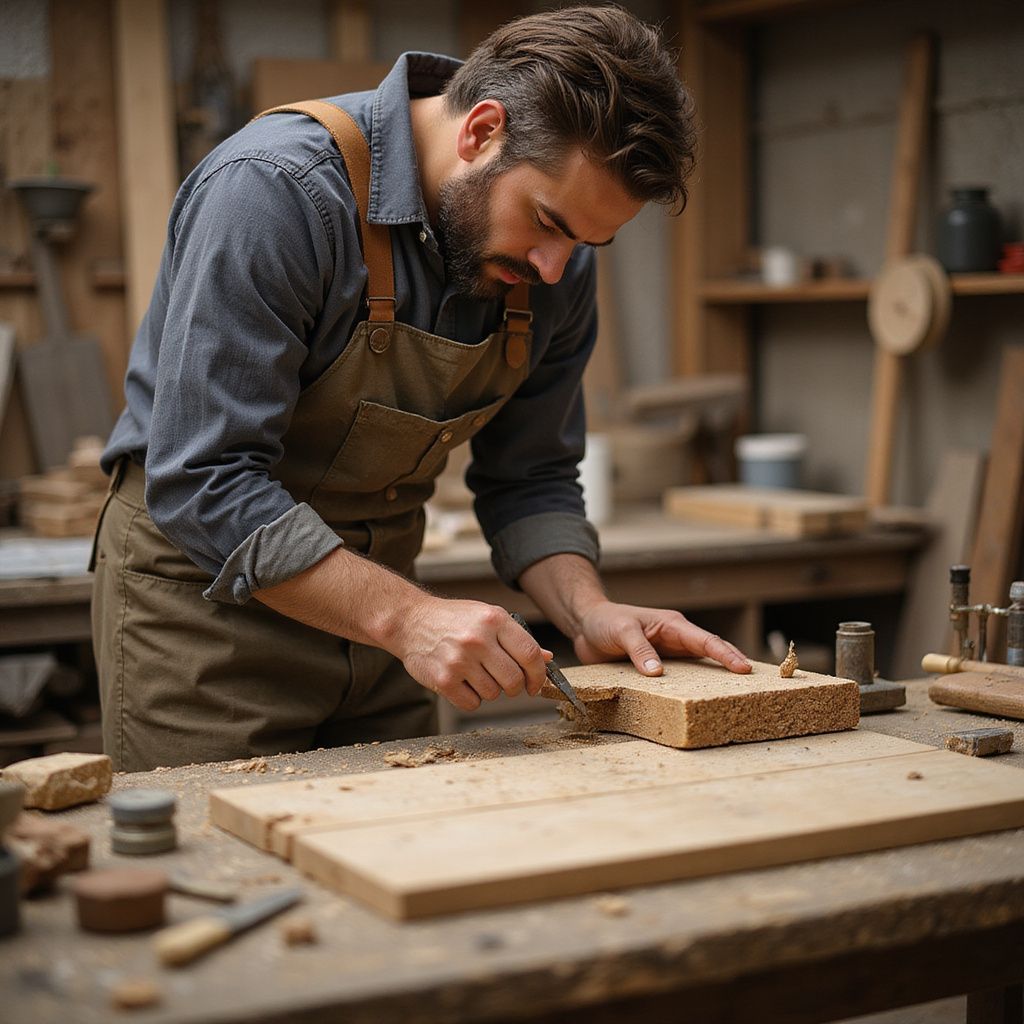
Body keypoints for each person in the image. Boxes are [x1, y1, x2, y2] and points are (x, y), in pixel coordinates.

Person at [91, 4, 752, 773]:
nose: (553, 268)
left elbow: (531, 477)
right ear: (481, 131)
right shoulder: (274, 193)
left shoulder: (556, 262)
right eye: (546, 222)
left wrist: (587, 610)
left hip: (384, 630)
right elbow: (205, 478)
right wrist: (408, 619)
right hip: (204, 621)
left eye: (585, 241)